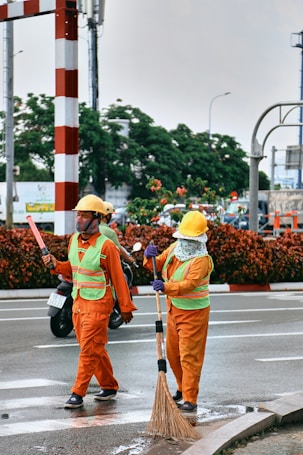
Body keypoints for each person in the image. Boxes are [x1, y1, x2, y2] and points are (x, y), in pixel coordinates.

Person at [42, 194, 137, 409]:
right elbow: (73, 268)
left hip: (98, 305)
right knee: (93, 347)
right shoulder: (74, 241)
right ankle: (110, 386)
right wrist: (55, 264)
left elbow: (119, 279)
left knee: (88, 350)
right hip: (78, 303)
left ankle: (78, 392)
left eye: (84, 216)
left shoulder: (107, 247)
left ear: (97, 219)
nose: (79, 220)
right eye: (78, 215)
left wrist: (125, 307)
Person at [143, 210, 213, 412]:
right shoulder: (176, 249)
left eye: (191, 239)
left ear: (200, 239)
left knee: (189, 356)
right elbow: (157, 266)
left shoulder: (202, 260)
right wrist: (149, 258)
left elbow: (189, 285)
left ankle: (190, 398)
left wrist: (165, 288)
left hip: (194, 314)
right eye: (184, 238)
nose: (187, 243)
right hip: (174, 310)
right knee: (173, 355)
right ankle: (182, 389)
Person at [99, 201, 136, 266]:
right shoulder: (109, 232)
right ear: (107, 215)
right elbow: (119, 250)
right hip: (104, 267)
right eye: (110, 214)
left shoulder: (91, 229)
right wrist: (130, 259)